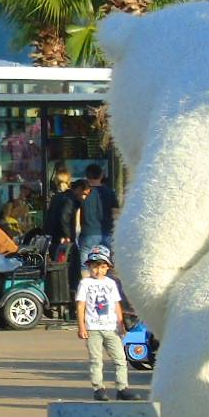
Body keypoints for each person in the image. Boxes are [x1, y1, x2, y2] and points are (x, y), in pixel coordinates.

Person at [75, 247, 135, 401]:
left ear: (108, 267)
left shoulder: (111, 283)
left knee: (120, 359)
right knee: (96, 360)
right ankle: (98, 388)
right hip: (93, 328)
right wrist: (81, 326)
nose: (98, 271)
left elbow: (116, 304)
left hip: (111, 328)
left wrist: (121, 324)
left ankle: (122, 388)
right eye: (95, 267)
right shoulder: (85, 283)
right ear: (89, 266)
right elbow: (81, 305)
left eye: (102, 267)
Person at [44, 179, 90, 255]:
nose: (84, 198)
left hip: (53, 237)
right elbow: (64, 218)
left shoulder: (58, 197)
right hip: (62, 239)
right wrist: (66, 236)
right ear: (78, 189)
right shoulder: (69, 201)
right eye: (84, 194)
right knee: (72, 258)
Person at [80, 164, 119, 251]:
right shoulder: (110, 193)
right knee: (106, 258)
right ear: (101, 176)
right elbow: (116, 214)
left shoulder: (83, 193)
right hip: (106, 233)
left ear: (86, 176)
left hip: (88, 233)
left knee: (85, 258)